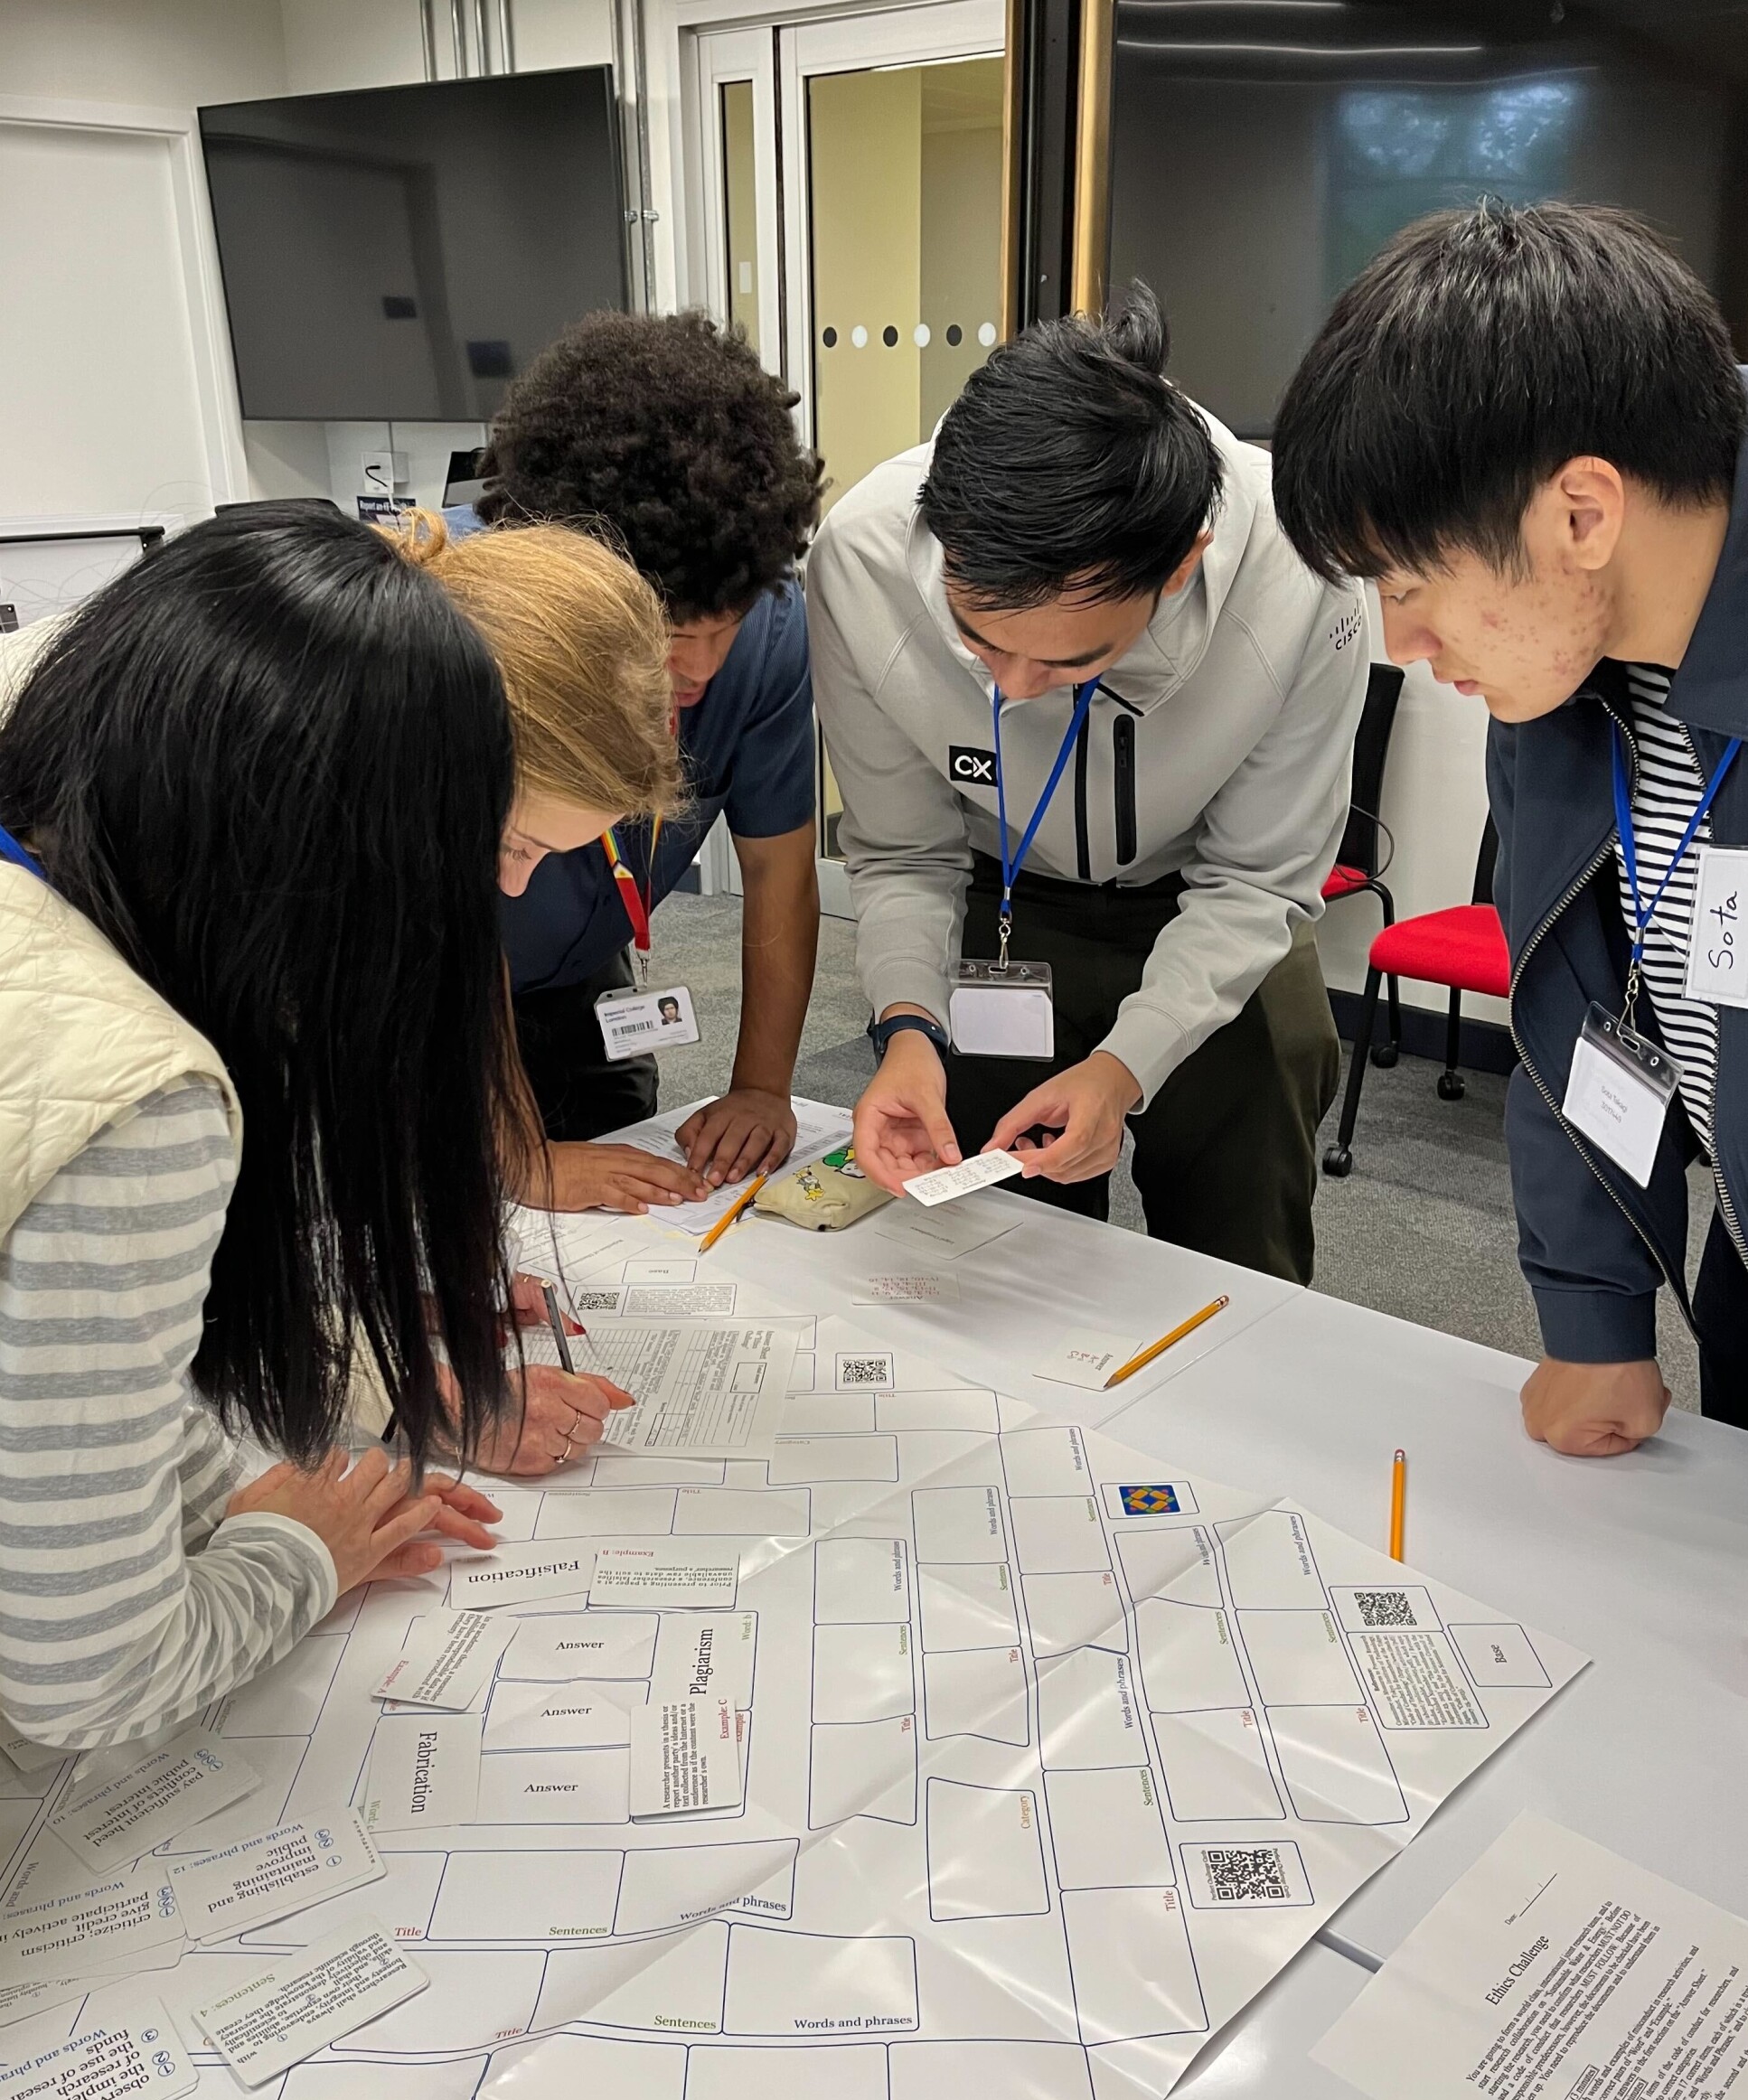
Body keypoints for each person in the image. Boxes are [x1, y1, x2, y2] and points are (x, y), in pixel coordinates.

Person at [0, 502, 676, 1749]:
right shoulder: (139, 1103)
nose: (503, 894)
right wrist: (302, 1548)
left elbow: (72, 1363)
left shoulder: (86, 729)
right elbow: (86, 1677)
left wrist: (342, 1376)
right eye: (503, 843)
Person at [1270, 200, 1748, 1450]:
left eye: (1411, 582)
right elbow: (1568, 1004)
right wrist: (1594, 1317)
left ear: (1581, 514)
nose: (1400, 642)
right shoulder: (1559, 684)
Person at [807, 287, 1367, 1282]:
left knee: (1238, 1256)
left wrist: (1124, 1066)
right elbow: (902, 851)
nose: (1016, 688)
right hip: (1001, 901)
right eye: (979, 643)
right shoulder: (861, 559)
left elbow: (1256, 879)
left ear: (1180, 568)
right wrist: (907, 1027)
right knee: (992, 1252)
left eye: (1071, 660)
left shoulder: (1302, 572)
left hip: (1215, 904)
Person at [460, 309, 825, 1214]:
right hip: (436, 986)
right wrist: (513, 1150)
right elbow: (445, 925)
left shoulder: (769, 637)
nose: (697, 669)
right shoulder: (473, 630)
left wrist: (761, 1088)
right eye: (665, 634)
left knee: (624, 1193)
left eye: (722, 626)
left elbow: (779, 871)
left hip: (590, 982)